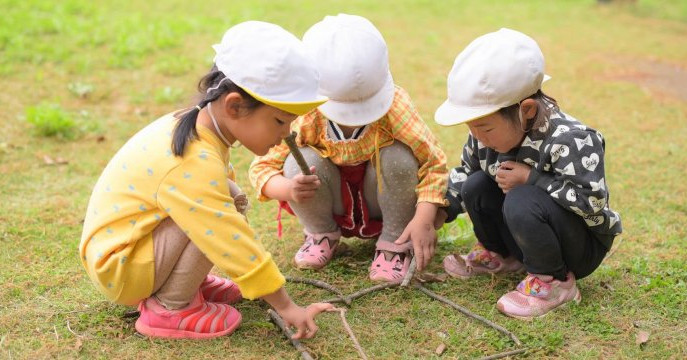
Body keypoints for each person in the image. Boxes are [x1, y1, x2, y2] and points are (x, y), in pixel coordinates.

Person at [79, 21, 333, 339]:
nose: (286, 134)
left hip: (128, 250)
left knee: (229, 195)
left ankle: (184, 284)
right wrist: (285, 305)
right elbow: (226, 235)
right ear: (235, 106)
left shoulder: (196, 124)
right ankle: (170, 308)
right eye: (280, 120)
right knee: (219, 212)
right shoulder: (192, 158)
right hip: (122, 267)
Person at [434, 28, 622, 320]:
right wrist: (435, 214)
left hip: (577, 246)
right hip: (524, 235)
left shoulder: (572, 140)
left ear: (527, 110)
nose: (476, 137)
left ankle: (555, 282)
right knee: (476, 184)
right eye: (469, 128)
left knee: (521, 198)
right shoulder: (483, 139)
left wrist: (533, 179)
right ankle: (503, 256)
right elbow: (464, 173)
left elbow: (591, 202)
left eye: (484, 127)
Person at [249, 14, 448, 282]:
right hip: (331, 200)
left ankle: (394, 243)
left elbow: (433, 163)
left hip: (380, 198)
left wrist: (424, 218)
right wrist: (288, 189)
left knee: (398, 157)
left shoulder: (395, 108)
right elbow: (263, 166)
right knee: (299, 160)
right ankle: (321, 234)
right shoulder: (305, 115)